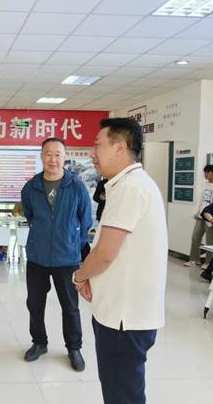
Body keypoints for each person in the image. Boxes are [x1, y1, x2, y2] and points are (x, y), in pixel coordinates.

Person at [73, 118, 167, 404]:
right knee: (121, 390)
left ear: (120, 147)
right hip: (123, 313)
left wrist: (80, 276)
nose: (93, 154)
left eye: (98, 145)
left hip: (124, 319)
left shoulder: (130, 188)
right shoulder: (130, 184)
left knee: (122, 394)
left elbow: (105, 253)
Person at [20, 138, 92, 371]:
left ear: (64, 156)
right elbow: (30, 216)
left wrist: (72, 243)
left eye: (58, 154)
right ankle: (39, 343)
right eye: (48, 154)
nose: (53, 159)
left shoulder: (76, 186)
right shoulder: (31, 187)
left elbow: (85, 221)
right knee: (35, 303)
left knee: (70, 306)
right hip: (37, 257)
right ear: (41, 156)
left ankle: (74, 348)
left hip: (67, 258)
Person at [183, 164, 213, 267]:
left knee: (210, 240)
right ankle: (194, 260)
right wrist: (196, 212)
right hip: (200, 216)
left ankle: (209, 263)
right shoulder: (204, 184)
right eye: (205, 172)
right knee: (195, 238)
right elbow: (199, 200)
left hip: (211, 217)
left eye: (208, 172)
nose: (206, 174)